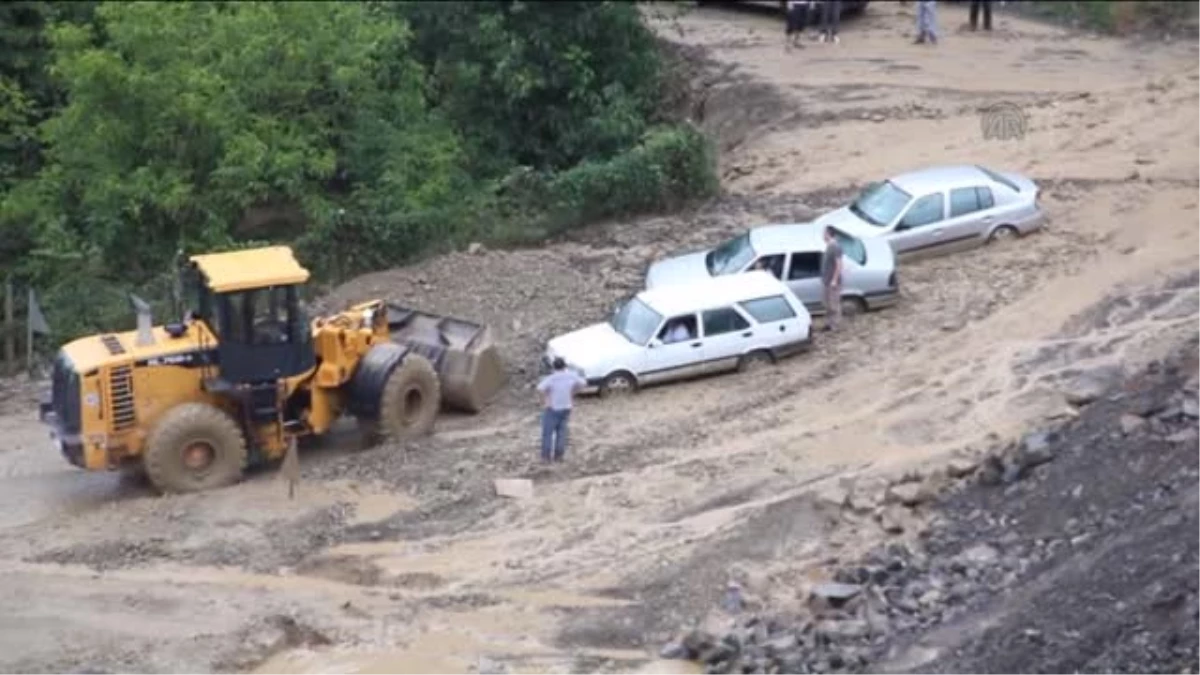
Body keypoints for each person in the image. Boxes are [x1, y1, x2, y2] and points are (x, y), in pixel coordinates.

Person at [537, 357, 586, 463]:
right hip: (567, 407)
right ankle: (559, 456)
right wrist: (573, 392)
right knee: (562, 432)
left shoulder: (552, 378)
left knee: (547, 433)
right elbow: (583, 383)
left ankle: (546, 457)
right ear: (565, 366)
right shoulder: (571, 376)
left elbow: (540, 388)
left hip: (553, 408)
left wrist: (547, 398)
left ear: (554, 367)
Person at [820, 226, 843, 332]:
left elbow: (839, 265)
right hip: (826, 281)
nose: (823, 235)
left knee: (834, 304)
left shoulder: (835, 247)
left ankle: (836, 326)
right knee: (827, 304)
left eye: (824, 233)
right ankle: (829, 324)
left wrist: (834, 280)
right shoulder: (829, 246)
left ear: (828, 234)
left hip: (832, 282)